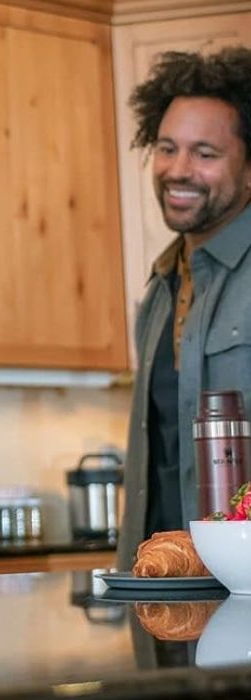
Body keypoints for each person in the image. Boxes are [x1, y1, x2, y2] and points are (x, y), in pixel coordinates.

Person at [118, 47, 251, 569]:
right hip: (166, 587)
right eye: (167, 147)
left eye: (205, 153)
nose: (178, 169)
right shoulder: (160, 289)